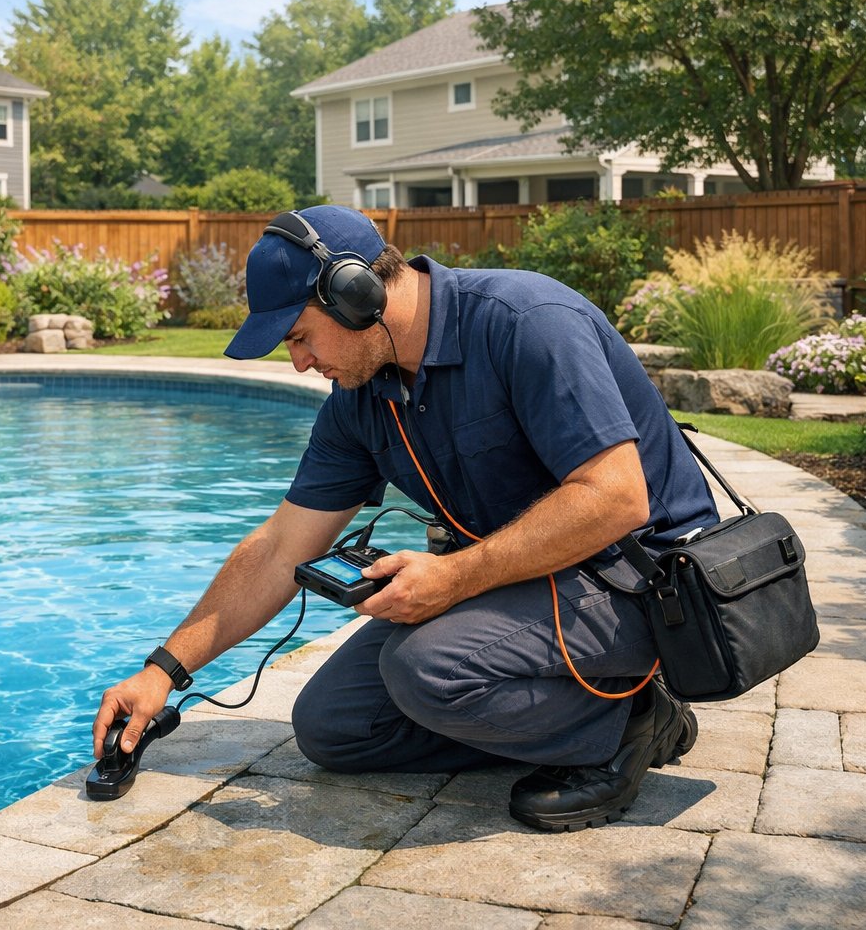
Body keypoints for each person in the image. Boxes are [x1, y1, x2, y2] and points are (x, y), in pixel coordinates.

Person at [92, 204, 720, 831]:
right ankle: (554, 711)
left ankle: (631, 721)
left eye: (300, 335)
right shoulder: (360, 400)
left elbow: (615, 497)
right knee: (335, 729)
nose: (300, 363)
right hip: (530, 582)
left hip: (648, 586)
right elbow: (282, 545)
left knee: (427, 667)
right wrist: (163, 670)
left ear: (354, 293)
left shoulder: (526, 322)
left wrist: (455, 578)